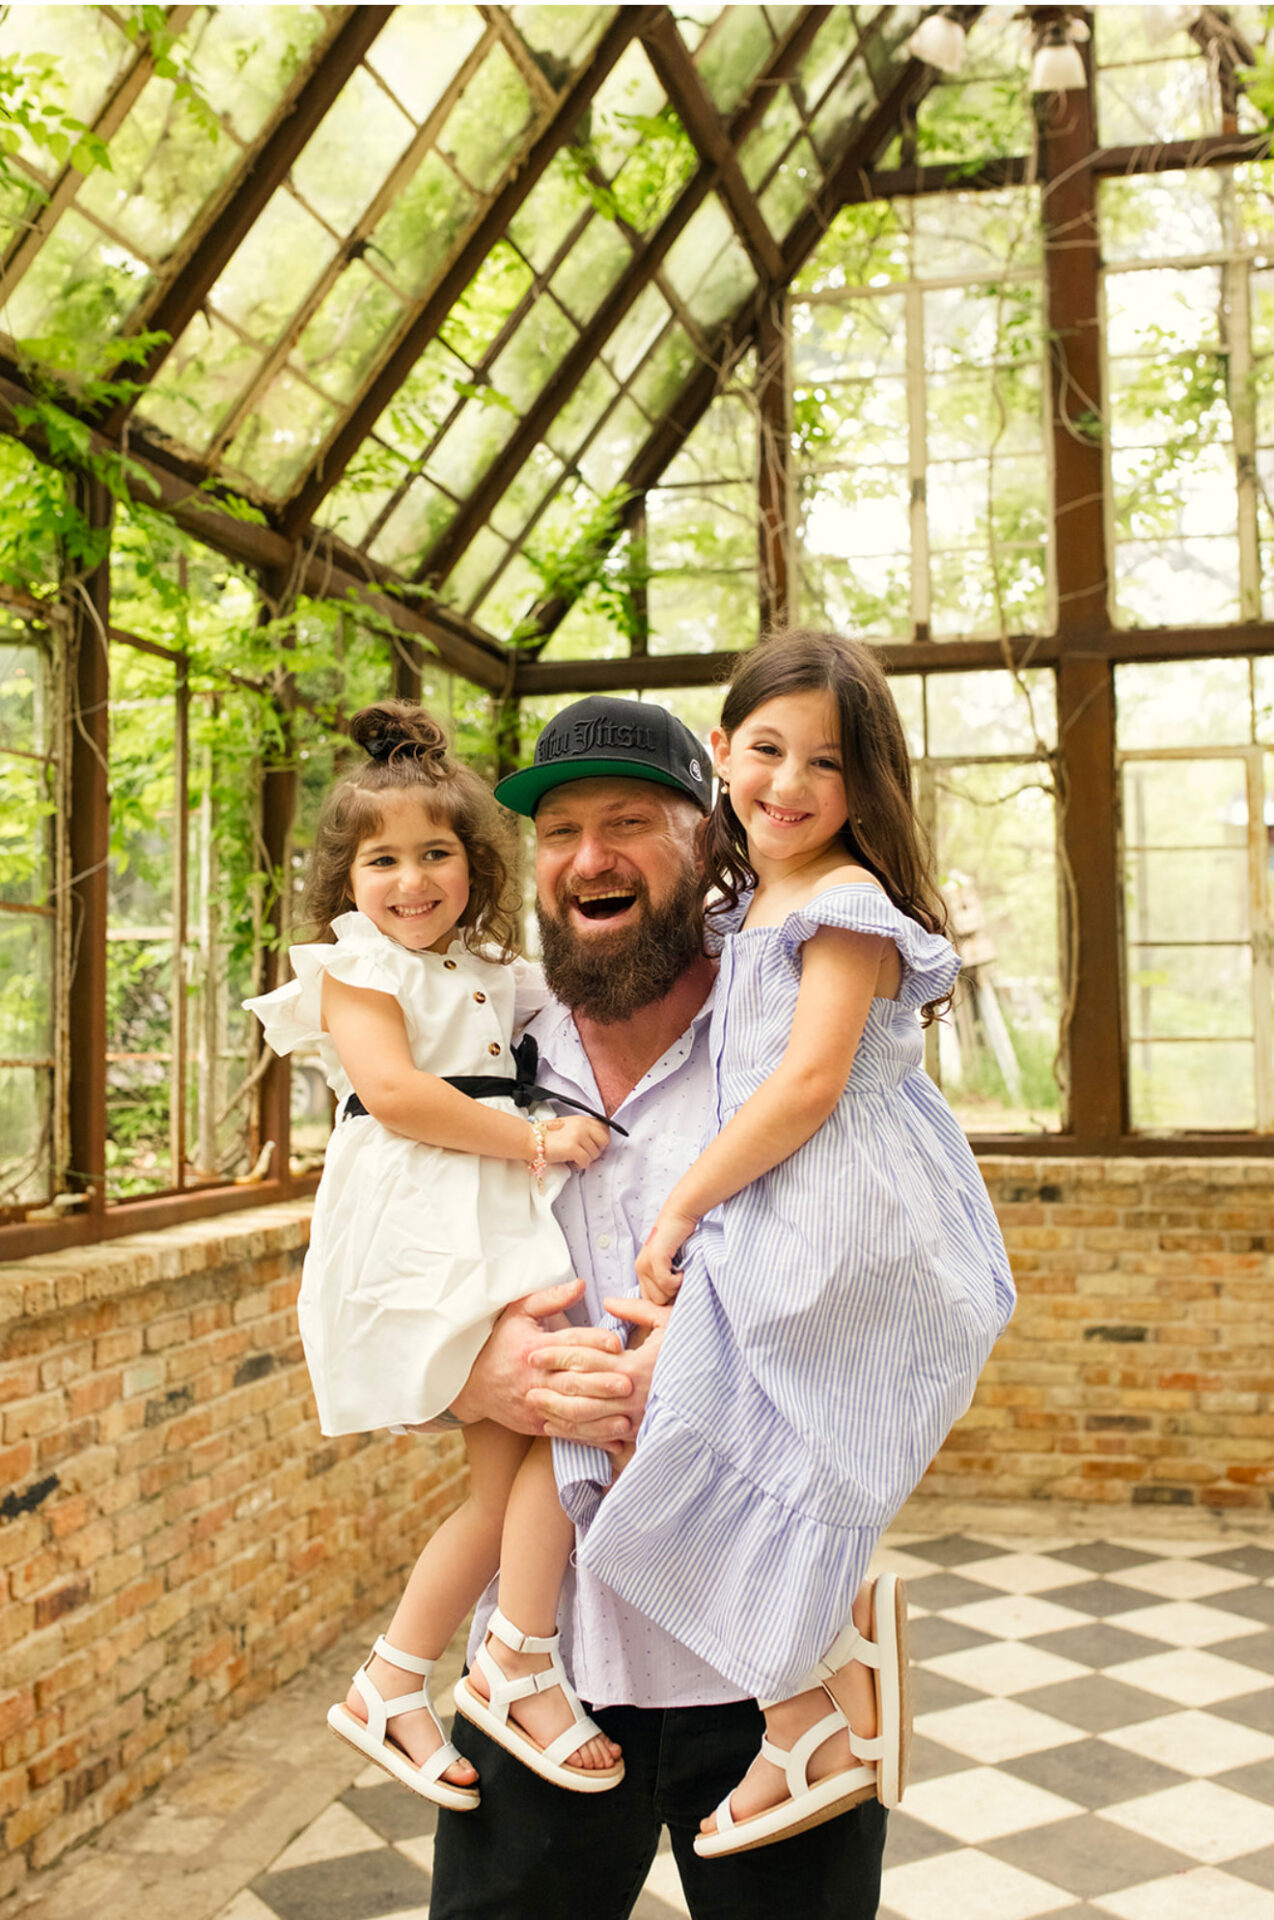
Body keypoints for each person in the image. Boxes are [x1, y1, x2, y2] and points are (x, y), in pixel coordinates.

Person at [428, 686, 893, 1919]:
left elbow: (891, 1306)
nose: (588, 856)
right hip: (543, 1671)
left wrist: (694, 1385)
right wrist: (478, 1379)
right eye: (558, 829)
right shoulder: (476, 1058)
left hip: (775, 1672)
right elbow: (373, 1299)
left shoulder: (803, 1033)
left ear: (708, 834)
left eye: (628, 820)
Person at [574, 632, 1016, 1857]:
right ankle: (811, 1706)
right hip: (784, 1210)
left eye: (824, 761)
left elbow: (808, 1082)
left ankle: (814, 1710)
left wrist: (676, 1210)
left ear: (865, 784)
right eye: (764, 749)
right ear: (720, 752)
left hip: (844, 1221)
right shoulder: (751, 897)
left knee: (737, 1443)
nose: (787, 781)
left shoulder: (843, 904)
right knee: (698, 1447)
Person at [244, 702, 624, 1813]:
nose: (409, 881)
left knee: (517, 1471)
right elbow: (403, 1099)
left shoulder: (492, 967)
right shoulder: (357, 969)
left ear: (473, 863)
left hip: (485, 1220)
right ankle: (512, 1656)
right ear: (346, 881)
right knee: (568, 1416)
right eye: (381, 860)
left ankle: (399, 1677)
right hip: (417, 1228)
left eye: (434, 854)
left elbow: (584, 1016)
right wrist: (538, 1138)